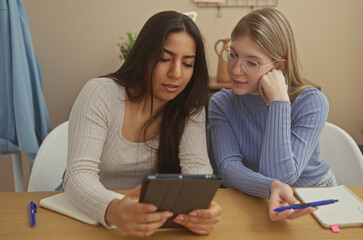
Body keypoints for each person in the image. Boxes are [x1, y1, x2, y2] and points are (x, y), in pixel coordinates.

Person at [64, 11, 221, 237]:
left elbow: (196, 169)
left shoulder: (189, 105)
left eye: (187, 64)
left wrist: (200, 207)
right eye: (164, 59)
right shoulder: (100, 93)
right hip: (88, 214)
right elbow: (78, 174)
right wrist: (114, 210)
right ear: (143, 55)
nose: (176, 73)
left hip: (148, 220)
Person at [208, 8, 337, 221]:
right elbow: (228, 167)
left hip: (312, 196)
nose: (236, 69)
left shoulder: (311, 102)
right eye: (233, 55)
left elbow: (283, 176)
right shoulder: (222, 103)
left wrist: (279, 101)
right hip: (258, 195)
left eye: (252, 62)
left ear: (279, 66)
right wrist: (269, 187)